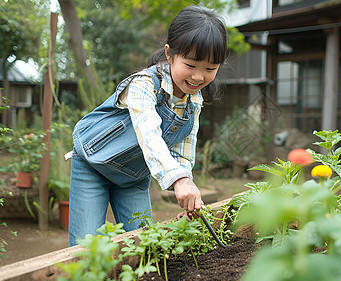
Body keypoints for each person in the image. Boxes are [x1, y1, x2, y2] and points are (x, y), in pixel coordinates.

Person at [68, 5, 228, 246]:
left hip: (132, 176)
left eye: (210, 69)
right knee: (86, 248)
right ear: (169, 54)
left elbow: (184, 147)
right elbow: (150, 136)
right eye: (191, 65)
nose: (198, 77)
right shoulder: (143, 85)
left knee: (145, 246)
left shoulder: (194, 100)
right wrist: (178, 181)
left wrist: (186, 187)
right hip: (93, 163)